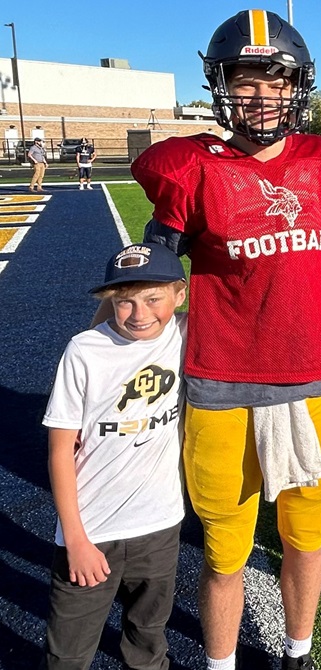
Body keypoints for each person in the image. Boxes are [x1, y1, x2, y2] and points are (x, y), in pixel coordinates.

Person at [127, 10, 321, 670]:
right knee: (225, 550)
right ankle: (221, 665)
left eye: (274, 81)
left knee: (305, 538)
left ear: (295, 86)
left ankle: (297, 654)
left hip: (312, 380)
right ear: (222, 87)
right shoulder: (192, 167)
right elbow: (156, 271)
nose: (260, 96)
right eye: (245, 82)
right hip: (221, 382)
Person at [42, 242, 188, 669]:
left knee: (148, 639)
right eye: (125, 302)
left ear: (180, 295)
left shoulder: (184, 333)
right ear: (110, 302)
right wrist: (76, 539)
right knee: (68, 650)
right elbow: (59, 451)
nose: (140, 314)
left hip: (160, 526)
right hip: (92, 529)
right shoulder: (85, 351)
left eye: (153, 299)